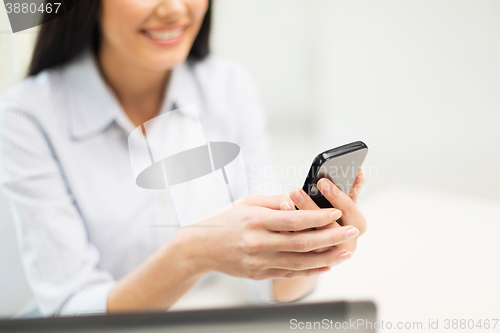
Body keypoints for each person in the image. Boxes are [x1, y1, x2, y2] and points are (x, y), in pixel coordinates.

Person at [0, 0, 367, 316]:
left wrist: (308, 251)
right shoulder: (28, 114)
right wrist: (193, 253)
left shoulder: (229, 86)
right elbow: (70, 313)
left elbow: (268, 288)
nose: (175, 8)